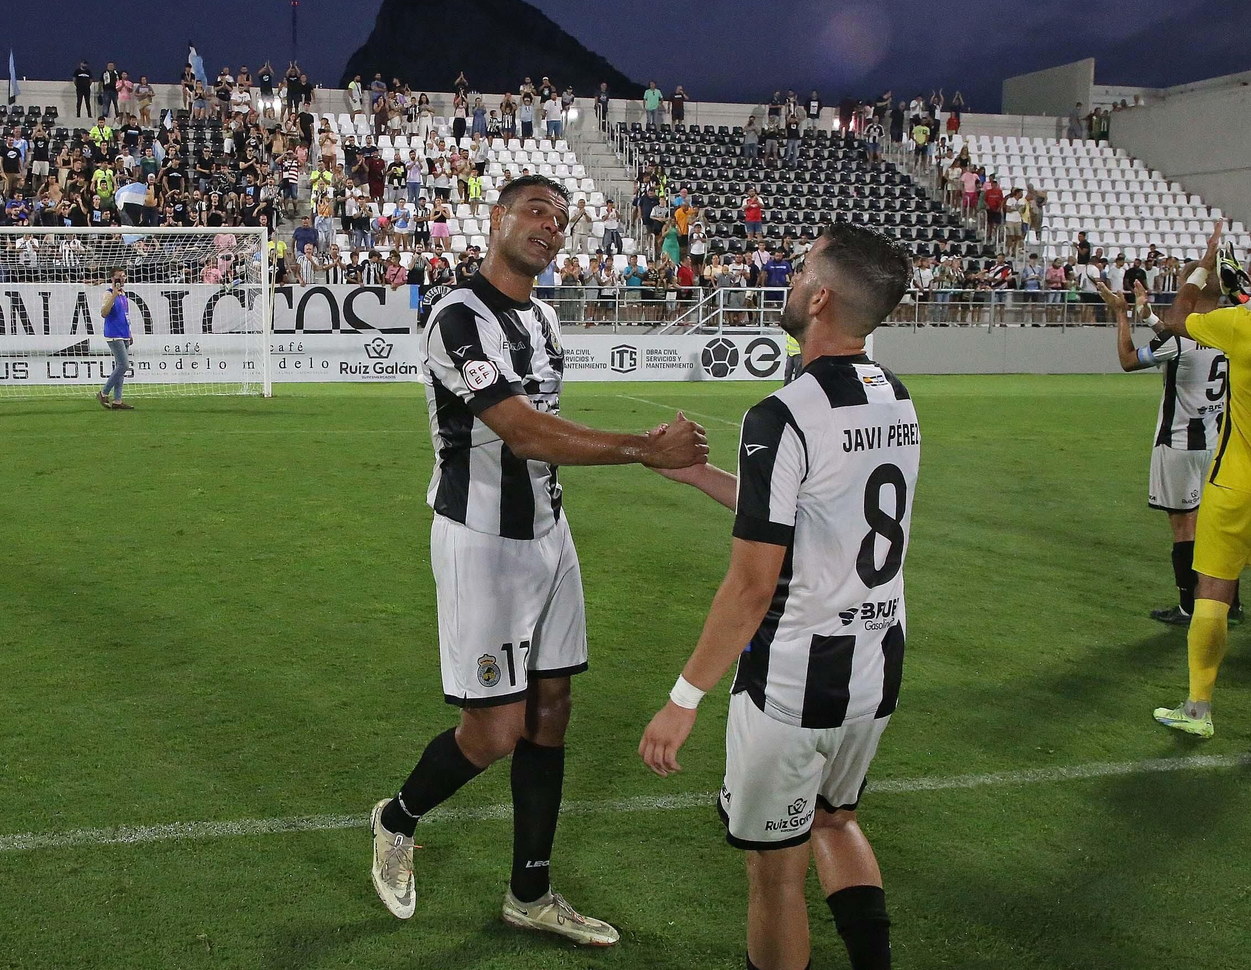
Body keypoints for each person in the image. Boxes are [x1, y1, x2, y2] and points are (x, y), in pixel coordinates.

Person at [368, 175, 709, 945]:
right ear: (497, 220)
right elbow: (521, 431)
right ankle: (397, 819)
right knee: (492, 732)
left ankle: (530, 893)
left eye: (561, 217)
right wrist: (644, 451)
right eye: (535, 211)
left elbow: (545, 431)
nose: (550, 227)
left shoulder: (547, 319)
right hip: (482, 544)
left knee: (552, 713)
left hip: (551, 537)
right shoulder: (457, 316)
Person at [639, 223, 917, 970]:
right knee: (835, 820)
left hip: (798, 675)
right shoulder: (897, 397)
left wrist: (683, 698)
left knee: (774, 871)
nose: (791, 282)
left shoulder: (780, 415)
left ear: (821, 298)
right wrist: (698, 476)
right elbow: (815, 517)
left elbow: (753, 582)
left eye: (801, 272)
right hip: (877, 660)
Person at [1149, 224, 1251, 740]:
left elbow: (1178, 318)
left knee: (1214, 592)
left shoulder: (1240, 325)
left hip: (1236, 483)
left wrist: (1204, 264)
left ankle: (1199, 708)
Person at [1093, 276, 1233, 626]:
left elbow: (1128, 359)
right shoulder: (1235, 335)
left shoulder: (1181, 342)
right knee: (1215, 526)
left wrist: (1122, 314)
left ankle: (1189, 606)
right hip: (1218, 444)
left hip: (1180, 443)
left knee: (1184, 527)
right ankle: (1230, 604)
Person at [97, 268, 135, 410]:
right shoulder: (108, 293)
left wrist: (129, 331)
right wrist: (113, 294)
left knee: (120, 367)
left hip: (123, 333)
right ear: (112, 279)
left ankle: (118, 400)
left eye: (124, 276)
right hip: (114, 334)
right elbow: (104, 313)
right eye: (119, 277)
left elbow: (125, 314)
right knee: (124, 365)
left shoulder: (123, 294)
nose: (122, 279)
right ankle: (104, 392)